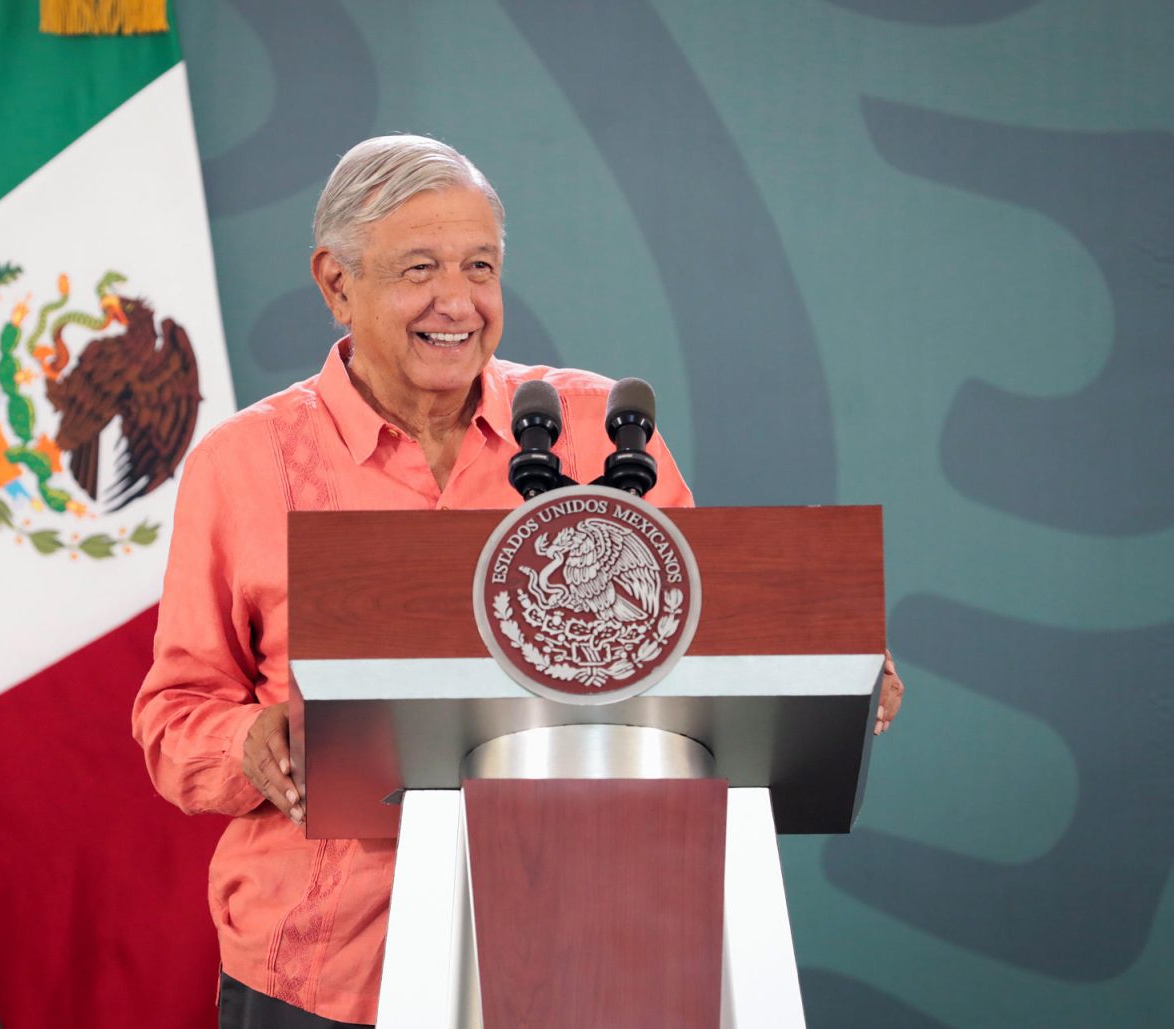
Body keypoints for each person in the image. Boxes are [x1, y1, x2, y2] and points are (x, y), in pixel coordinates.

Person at [132, 135, 904, 1028]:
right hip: (331, 968)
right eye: (418, 267)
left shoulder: (597, 432)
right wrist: (250, 741)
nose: (456, 301)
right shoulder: (243, 465)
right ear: (336, 283)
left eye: (480, 266)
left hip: (594, 952)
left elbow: (706, 631)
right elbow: (173, 714)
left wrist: (822, 660)